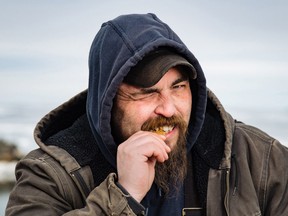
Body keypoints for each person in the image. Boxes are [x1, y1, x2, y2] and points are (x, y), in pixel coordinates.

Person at [5, 13, 288, 216]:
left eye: (178, 87)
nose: (168, 108)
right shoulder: (49, 175)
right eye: (146, 92)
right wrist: (123, 197)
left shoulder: (261, 160)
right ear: (107, 103)